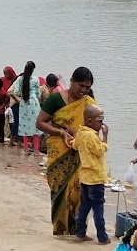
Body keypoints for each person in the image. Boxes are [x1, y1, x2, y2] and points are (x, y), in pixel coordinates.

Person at [38, 67, 96, 235]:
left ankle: (78, 231)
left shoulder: (89, 102)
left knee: (79, 193)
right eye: (80, 85)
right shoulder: (55, 99)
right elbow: (40, 123)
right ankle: (60, 230)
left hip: (80, 154)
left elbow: (95, 126)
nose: (83, 90)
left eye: (87, 87)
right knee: (60, 191)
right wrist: (61, 132)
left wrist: (82, 137)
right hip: (59, 152)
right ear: (71, 81)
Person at [70, 105, 110, 243]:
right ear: (90, 120)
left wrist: (71, 137)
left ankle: (80, 233)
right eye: (100, 121)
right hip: (96, 178)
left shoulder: (81, 132)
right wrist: (105, 136)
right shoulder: (91, 135)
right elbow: (100, 150)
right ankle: (102, 237)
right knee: (98, 208)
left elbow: (75, 145)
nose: (101, 124)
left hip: (85, 177)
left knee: (84, 206)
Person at [11, 60, 40, 156]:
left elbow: (15, 92)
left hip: (24, 103)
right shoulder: (35, 79)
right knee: (36, 126)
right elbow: (38, 94)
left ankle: (26, 150)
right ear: (33, 69)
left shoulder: (20, 79)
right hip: (34, 102)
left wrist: (22, 95)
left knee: (24, 126)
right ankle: (36, 150)